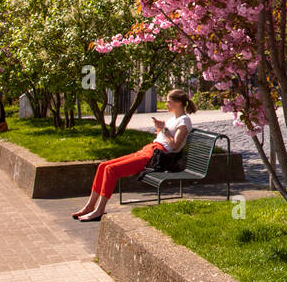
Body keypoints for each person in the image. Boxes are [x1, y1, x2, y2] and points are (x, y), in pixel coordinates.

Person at [71, 89, 196, 222]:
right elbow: (164, 138)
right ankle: (90, 206)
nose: (166, 104)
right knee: (103, 166)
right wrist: (160, 129)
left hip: (157, 156)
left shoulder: (184, 121)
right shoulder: (173, 119)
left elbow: (175, 145)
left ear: (177, 103)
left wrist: (163, 129)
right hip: (150, 149)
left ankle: (99, 210)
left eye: (168, 102)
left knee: (111, 170)